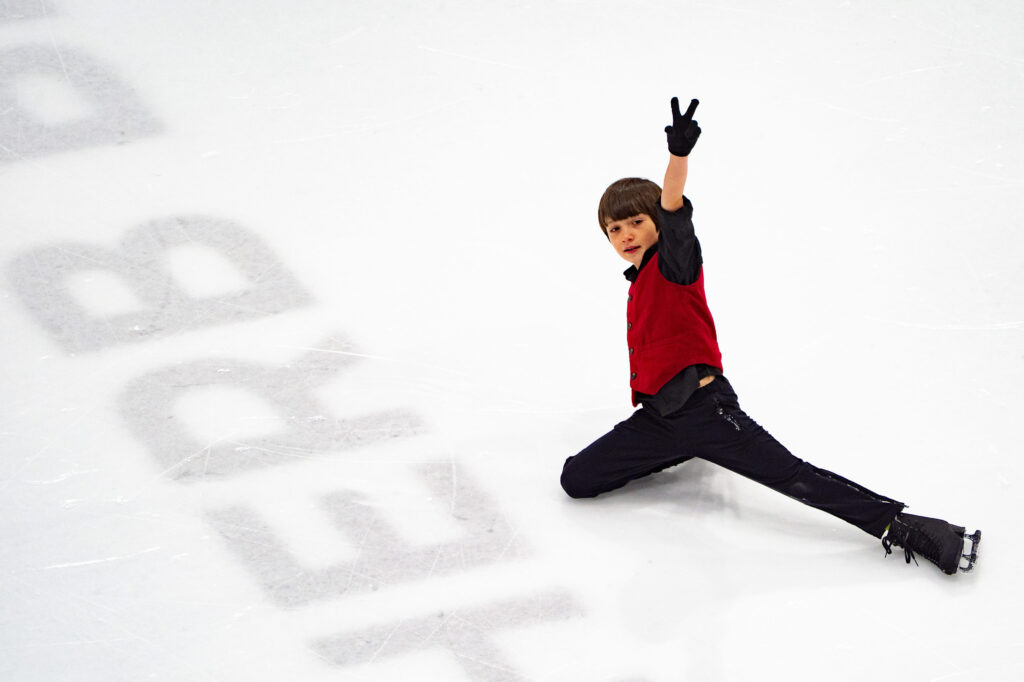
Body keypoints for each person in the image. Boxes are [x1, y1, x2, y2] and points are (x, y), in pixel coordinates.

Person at [559, 97, 981, 575]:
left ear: (655, 223)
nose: (626, 234)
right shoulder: (637, 284)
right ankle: (684, 447)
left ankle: (905, 527)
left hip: (706, 411)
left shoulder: (674, 264)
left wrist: (678, 158)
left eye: (637, 221)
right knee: (576, 479)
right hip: (660, 417)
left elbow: (674, 208)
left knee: (789, 475)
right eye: (615, 229)